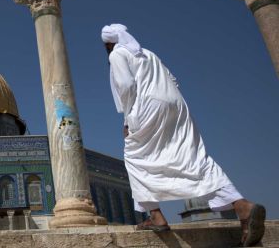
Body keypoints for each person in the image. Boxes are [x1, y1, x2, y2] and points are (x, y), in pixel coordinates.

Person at [101, 23, 265, 247]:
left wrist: (128, 119)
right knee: (193, 157)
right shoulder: (149, 54)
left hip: (147, 107)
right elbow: (174, 80)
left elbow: (126, 85)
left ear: (110, 44)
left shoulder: (118, 54)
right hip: (176, 105)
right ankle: (242, 205)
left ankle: (156, 216)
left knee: (134, 157)